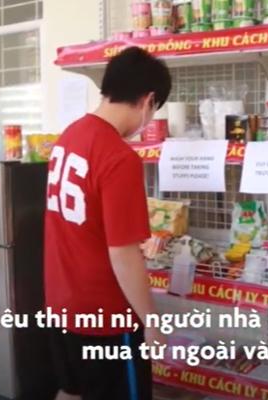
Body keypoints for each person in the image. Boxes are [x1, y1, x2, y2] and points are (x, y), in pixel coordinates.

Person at [44, 47, 172, 400]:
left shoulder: (69, 137)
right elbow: (124, 254)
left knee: (71, 391)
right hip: (106, 316)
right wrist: (151, 322)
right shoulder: (118, 157)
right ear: (148, 101)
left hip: (62, 303)